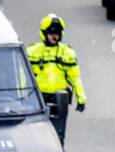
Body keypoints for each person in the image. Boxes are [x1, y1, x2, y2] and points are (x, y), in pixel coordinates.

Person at [27, 14, 87, 144]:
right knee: (37, 132)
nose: (55, 36)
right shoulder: (32, 52)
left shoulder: (67, 53)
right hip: (39, 98)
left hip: (60, 98)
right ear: (44, 33)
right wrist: (23, 97)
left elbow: (75, 77)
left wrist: (81, 98)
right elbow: (23, 76)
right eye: (51, 33)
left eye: (58, 33)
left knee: (58, 135)